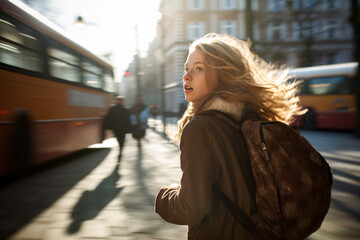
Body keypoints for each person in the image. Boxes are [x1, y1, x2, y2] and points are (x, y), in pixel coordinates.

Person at [154, 33, 304, 239]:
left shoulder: (200, 128)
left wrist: (163, 197)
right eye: (186, 68)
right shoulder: (248, 119)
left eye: (199, 68)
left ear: (223, 75)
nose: (186, 76)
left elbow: (190, 208)